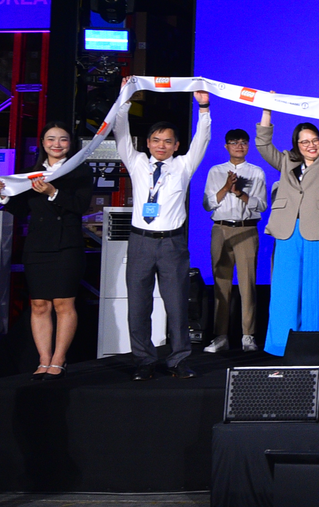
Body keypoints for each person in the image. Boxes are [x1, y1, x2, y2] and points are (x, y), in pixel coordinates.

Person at [114, 86, 211, 380]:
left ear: (176, 145)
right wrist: (124, 101)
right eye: (156, 140)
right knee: (138, 305)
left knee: (177, 305)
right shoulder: (136, 162)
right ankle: (144, 360)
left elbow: (202, 140)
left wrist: (203, 109)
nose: (161, 146)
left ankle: (178, 359)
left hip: (172, 244)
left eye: (168, 141)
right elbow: (120, 133)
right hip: (140, 242)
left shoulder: (183, 165)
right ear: (147, 143)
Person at [1, 122, 93, 379]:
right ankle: (43, 359)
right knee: (39, 304)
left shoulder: (80, 172)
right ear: (42, 143)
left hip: (67, 246)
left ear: (70, 143)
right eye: (51, 139)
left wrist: (53, 192)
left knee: (63, 303)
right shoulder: (29, 174)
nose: (56, 144)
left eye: (62, 139)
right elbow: (22, 210)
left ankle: (58, 359)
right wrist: (5, 197)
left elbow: (80, 206)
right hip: (37, 247)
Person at [257, 107, 319, 357]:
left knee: (317, 289)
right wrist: (267, 111)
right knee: (285, 290)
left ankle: (318, 345)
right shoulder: (286, 162)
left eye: (315, 140)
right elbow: (263, 145)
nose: (311, 145)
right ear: (297, 145)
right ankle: (282, 345)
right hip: (288, 232)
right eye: (305, 142)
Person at [202, 128, 267, 353]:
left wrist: (239, 192)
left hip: (246, 229)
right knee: (221, 284)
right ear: (226, 146)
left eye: (243, 142)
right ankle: (221, 336)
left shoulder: (256, 172)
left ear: (248, 146)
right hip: (221, 229)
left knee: (247, 284)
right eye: (234, 142)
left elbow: (261, 205)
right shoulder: (216, 171)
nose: (239, 146)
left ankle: (248, 335)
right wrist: (226, 188)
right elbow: (208, 204)